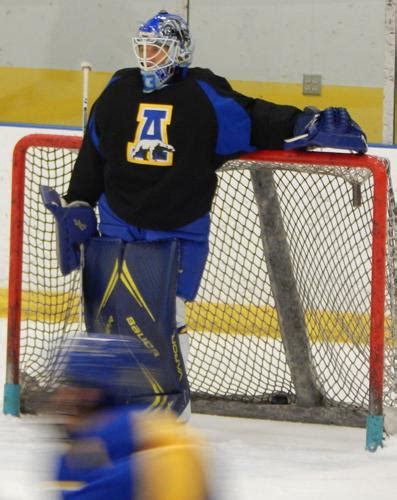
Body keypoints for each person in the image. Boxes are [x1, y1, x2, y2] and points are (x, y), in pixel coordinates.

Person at [49, 10, 366, 417]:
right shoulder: (118, 88)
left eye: (158, 49)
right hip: (118, 219)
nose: (148, 57)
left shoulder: (202, 93)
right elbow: (94, 152)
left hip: (178, 228)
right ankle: (111, 401)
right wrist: (78, 203)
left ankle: (169, 407)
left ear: (179, 52)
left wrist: (308, 123)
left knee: (164, 317)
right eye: (143, 48)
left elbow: (254, 117)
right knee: (106, 312)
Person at [49, 334, 211, 500]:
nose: (61, 396)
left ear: (95, 394)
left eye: (74, 384)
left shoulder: (94, 449)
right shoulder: (162, 430)